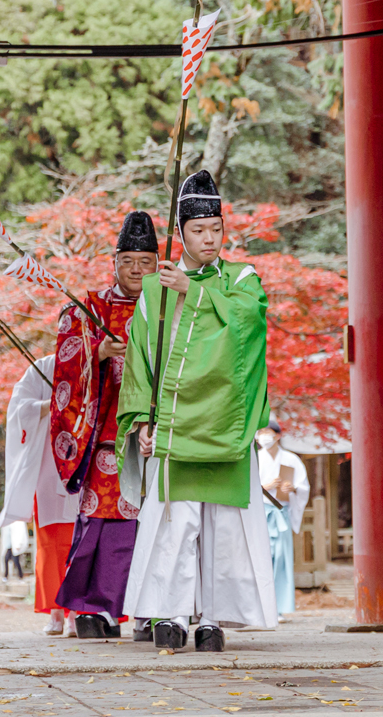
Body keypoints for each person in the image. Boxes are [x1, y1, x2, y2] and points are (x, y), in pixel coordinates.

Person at [118, 170, 277, 653]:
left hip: (226, 426)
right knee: (175, 521)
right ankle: (168, 613)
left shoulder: (242, 279)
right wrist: (143, 420)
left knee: (223, 526)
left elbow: (249, 322)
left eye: (217, 230)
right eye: (199, 231)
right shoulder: (154, 290)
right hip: (173, 425)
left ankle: (213, 618)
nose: (210, 239)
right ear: (180, 233)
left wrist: (195, 291)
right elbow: (140, 358)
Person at [48, 210, 157, 639]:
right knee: (106, 519)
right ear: (114, 261)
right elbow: (66, 363)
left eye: (145, 261)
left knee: (160, 520)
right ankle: (97, 608)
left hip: (162, 435)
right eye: (127, 259)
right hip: (109, 437)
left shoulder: (175, 309)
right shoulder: (89, 309)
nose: (135, 269)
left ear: (157, 264)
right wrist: (98, 354)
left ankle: (155, 608)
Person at [1, 353, 79, 635]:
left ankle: (78, 613)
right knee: (50, 546)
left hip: (82, 460)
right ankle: (56, 612)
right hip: (47, 465)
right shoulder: (42, 367)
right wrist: (52, 405)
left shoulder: (91, 361)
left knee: (79, 545)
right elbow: (20, 408)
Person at [256, 421, 309, 619]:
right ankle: (261, 606)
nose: (263, 436)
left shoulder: (291, 459)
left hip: (281, 513)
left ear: (277, 435)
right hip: (261, 513)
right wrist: (264, 485)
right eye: (260, 432)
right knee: (261, 559)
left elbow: (303, 487)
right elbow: (247, 487)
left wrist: (292, 489)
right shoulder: (256, 458)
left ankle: (277, 607)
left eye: (267, 432)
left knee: (281, 559)